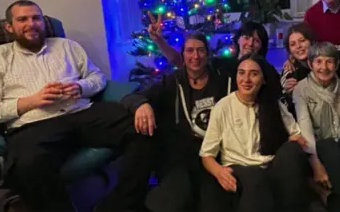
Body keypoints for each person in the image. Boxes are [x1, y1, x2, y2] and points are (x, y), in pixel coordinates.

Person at [0, 0, 154, 212]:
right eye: (22, 19)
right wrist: (31, 101)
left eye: (36, 18)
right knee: (26, 164)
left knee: (143, 128)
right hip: (34, 126)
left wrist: (80, 87)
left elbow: (97, 77)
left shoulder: (67, 46)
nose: (31, 23)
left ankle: (121, 203)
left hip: (82, 111)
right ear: (9, 27)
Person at [117, 33, 233, 212]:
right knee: (174, 200)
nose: (196, 56)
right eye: (190, 51)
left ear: (207, 54)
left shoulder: (222, 79)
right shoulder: (172, 82)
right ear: (183, 56)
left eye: (201, 50)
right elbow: (131, 97)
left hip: (213, 154)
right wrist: (141, 105)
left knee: (214, 204)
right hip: (180, 156)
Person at [200, 54, 310, 212]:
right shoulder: (223, 107)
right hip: (239, 167)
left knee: (292, 151)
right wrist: (219, 172)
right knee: (256, 178)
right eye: (241, 72)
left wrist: (292, 141)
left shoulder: (273, 104)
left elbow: (297, 135)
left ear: (263, 79)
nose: (246, 79)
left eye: (254, 73)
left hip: (270, 166)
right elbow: (206, 154)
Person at [293, 42, 340, 212]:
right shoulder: (301, 90)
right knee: (328, 145)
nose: (324, 67)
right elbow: (305, 129)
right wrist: (316, 164)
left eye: (329, 61)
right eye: (319, 61)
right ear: (311, 64)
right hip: (322, 149)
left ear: (337, 64)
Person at [147, 13, 281, 93]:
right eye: (246, 38)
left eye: (256, 40)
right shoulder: (221, 64)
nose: (250, 44)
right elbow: (182, 61)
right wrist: (159, 40)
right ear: (238, 39)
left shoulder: (268, 71)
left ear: (262, 45)